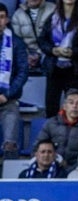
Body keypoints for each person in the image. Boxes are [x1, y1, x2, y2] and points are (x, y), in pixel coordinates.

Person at [37, 0, 78, 118]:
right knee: (51, 107)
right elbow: (42, 40)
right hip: (54, 68)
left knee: (74, 107)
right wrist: (53, 50)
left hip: (73, 69)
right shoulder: (53, 17)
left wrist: (73, 52)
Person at [35, 88, 78, 170]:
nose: (74, 106)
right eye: (71, 103)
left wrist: (73, 167)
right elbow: (38, 147)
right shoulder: (51, 123)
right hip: (51, 165)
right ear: (64, 106)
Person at [0, 3, 29, 160]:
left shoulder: (16, 43)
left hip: (8, 101)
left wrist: (7, 94)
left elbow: (23, 71)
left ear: (7, 19)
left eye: (2, 17)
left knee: (10, 143)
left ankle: (7, 180)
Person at [11, 0, 56, 76]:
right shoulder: (17, 15)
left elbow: (56, 37)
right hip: (27, 53)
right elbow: (17, 41)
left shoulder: (53, 9)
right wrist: (27, 55)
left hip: (48, 52)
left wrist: (39, 54)